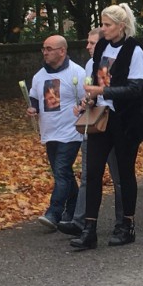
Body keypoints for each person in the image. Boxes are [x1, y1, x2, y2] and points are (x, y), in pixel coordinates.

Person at [70, 3, 143, 250]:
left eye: (107, 25)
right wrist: (92, 98)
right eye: (103, 24)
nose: (103, 29)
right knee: (93, 171)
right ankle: (89, 229)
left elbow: (136, 88)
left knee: (125, 172)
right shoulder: (103, 48)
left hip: (126, 119)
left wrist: (103, 90)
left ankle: (126, 225)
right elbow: (98, 77)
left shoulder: (135, 50)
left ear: (121, 25)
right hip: (102, 115)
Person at [57, 28, 125, 237]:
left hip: (115, 124)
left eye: (92, 43)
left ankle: (122, 222)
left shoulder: (120, 60)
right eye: (88, 42)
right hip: (94, 123)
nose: (88, 46)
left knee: (119, 177)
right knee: (89, 175)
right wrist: (85, 103)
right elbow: (91, 92)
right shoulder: (90, 64)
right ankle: (81, 222)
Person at [26, 35, 85, 229]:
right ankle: (73, 209)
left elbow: (89, 99)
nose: (45, 52)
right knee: (64, 173)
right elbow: (34, 98)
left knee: (61, 171)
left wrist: (82, 110)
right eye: (44, 48)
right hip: (49, 132)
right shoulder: (39, 76)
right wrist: (33, 108)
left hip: (71, 132)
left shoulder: (77, 73)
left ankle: (54, 213)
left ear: (62, 51)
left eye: (49, 48)